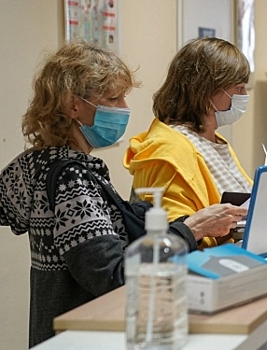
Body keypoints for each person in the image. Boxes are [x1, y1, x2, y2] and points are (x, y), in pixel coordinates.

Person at [0, 41, 245, 347]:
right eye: (113, 98)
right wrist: (189, 230)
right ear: (72, 104)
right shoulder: (70, 177)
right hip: (84, 336)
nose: (124, 109)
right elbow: (114, 275)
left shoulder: (36, 163)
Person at [124, 37, 252, 249]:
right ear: (206, 90)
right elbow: (177, 233)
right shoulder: (170, 149)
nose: (244, 95)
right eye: (238, 88)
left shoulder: (215, 141)